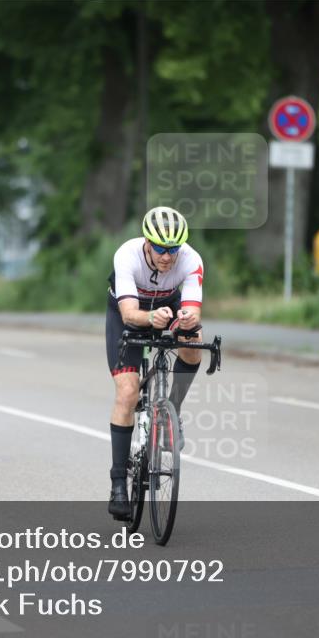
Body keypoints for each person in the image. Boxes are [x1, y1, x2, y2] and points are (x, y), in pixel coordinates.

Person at [105, 207, 204, 519]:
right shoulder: (127, 255)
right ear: (147, 242)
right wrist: (149, 318)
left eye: (173, 249)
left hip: (167, 304)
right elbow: (128, 313)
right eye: (161, 248)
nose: (167, 256)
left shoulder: (191, 259)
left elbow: (193, 309)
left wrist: (186, 321)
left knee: (193, 343)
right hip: (129, 313)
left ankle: (171, 413)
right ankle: (118, 483)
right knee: (127, 393)